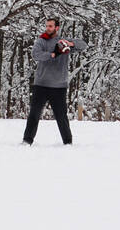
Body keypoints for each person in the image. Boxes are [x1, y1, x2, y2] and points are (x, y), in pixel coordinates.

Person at [22, 17, 87, 146]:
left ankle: (68, 142)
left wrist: (70, 44)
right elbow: (36, 54)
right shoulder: (41, 41)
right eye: (47, 26)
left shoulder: (63, 41)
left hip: (59, 86)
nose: (48, 28)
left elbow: (83, 45)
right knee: (34, 114)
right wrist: (53, 54)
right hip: (41, 85)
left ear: (57, 28)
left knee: (61, 116)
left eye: (51, 26)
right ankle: (27, 140)